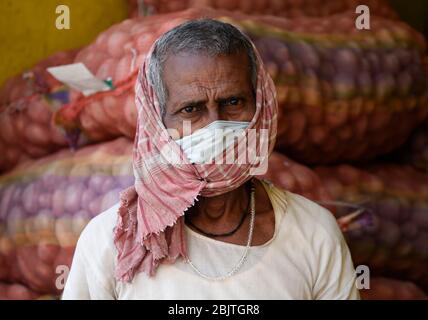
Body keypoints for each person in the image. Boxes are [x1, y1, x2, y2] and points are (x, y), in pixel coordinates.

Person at [62, 19, 360, 300]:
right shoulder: (109, 243)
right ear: (156, 121)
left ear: (262, 105)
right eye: (191, 109)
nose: (214, 125)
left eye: (233, 102)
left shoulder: (314, 234)